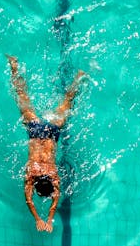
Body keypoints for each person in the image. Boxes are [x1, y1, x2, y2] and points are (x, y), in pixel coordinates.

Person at [7, 55, 85, 232]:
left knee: (68, 101)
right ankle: (14, 66)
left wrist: (47, 219)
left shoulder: (53, 175)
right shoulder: (31, 174)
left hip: (51, 133)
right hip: (35, 132)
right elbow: (28, 199)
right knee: (21, 95)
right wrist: (39, 219)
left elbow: (55, 197)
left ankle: (79, 77)